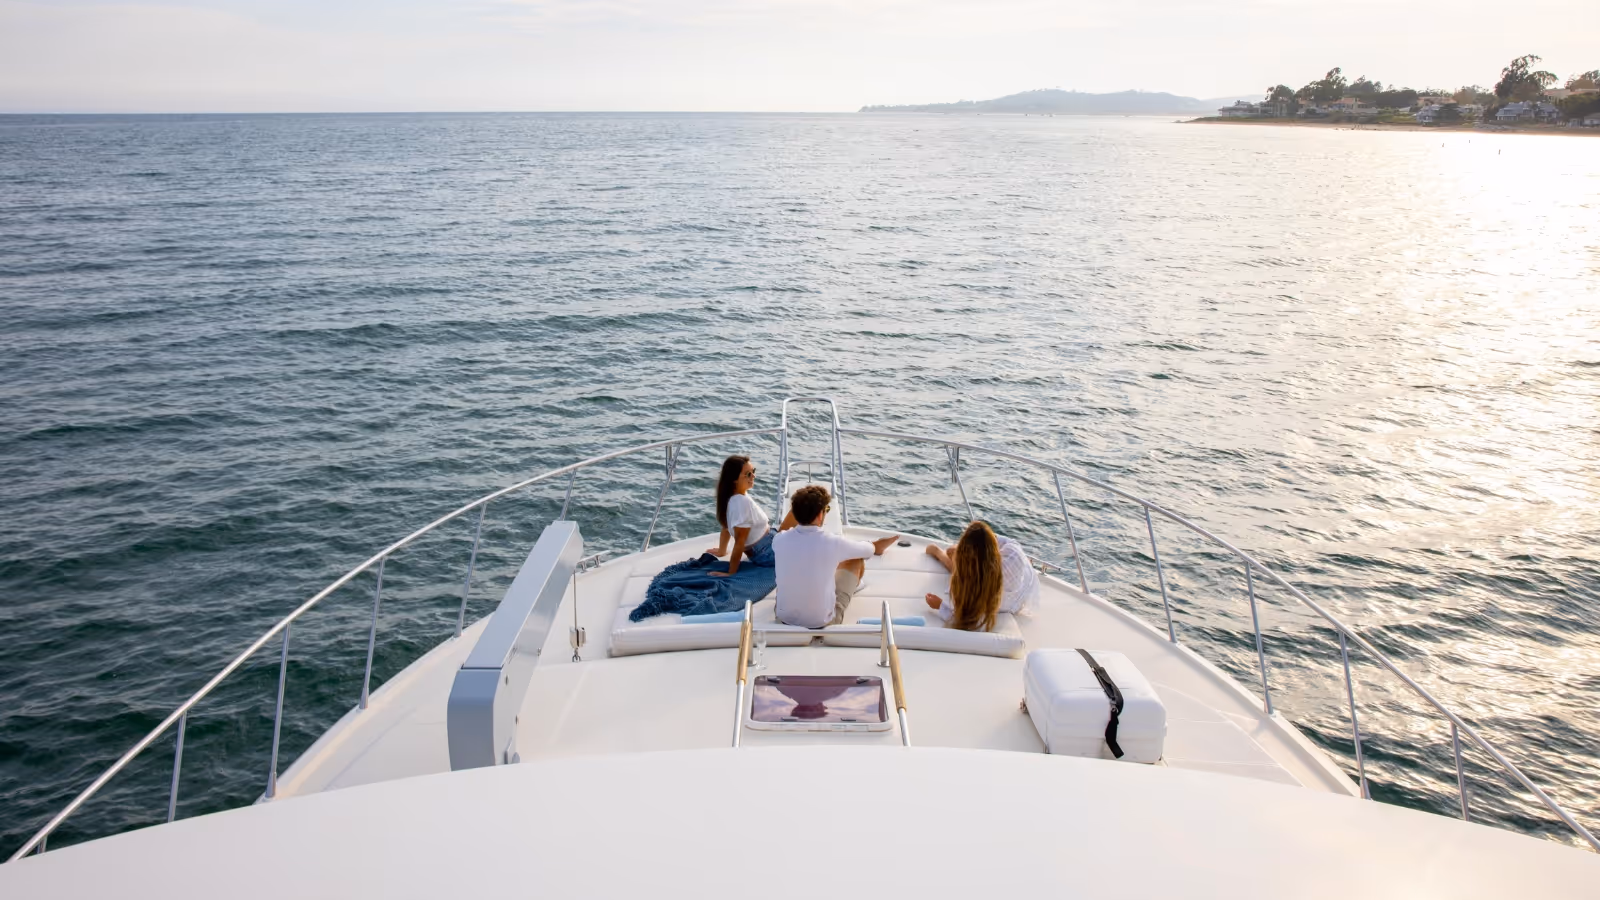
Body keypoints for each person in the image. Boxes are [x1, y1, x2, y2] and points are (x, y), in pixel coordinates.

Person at [772, 484, 898, 627]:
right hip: (821, 622)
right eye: (826, 510)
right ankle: (850, 588)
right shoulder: (833, 542)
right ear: (820, 515)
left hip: (784, 619)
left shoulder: (779, 539)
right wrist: (874, 545)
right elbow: (867, 550)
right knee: (855, 560)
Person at [923, 521, 1040, 631]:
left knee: (953, 556)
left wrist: (940, 606)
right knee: (957, 556)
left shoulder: (969, 585)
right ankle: (956, 552)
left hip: (999, 592)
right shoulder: (1013, 555)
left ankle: (938, 552)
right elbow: (997, 541)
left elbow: (963, 620)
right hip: (1017, 597)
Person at [708, 455, 796, 578]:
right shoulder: (741, 503)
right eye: (748, 474)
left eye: (753, 471)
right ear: (734, 479)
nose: (753, 476)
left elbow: (726, 526)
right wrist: (731, 572)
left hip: (769, 542)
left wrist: (722, 551)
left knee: (801, 507)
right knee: (804, 506)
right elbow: (740, 542)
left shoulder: (732, 497)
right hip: (767, 552)